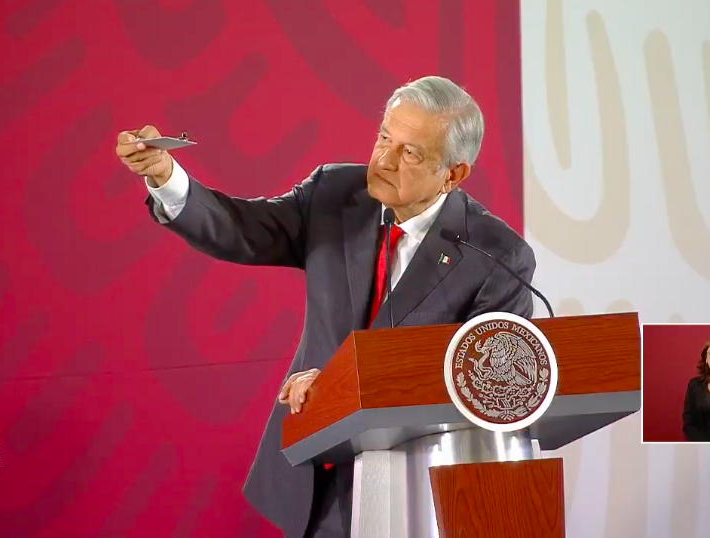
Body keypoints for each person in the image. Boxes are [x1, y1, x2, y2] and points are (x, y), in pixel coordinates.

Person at [117, 76, 538, 538]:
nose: (383, 160)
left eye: (410, 153)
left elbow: (484, 387)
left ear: (453, 175)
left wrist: (344, 386)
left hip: (421, 488)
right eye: (384, 137)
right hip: (314, 474)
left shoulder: (497, 255)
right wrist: (165, 177)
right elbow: (241, 228)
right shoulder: (335, 194)